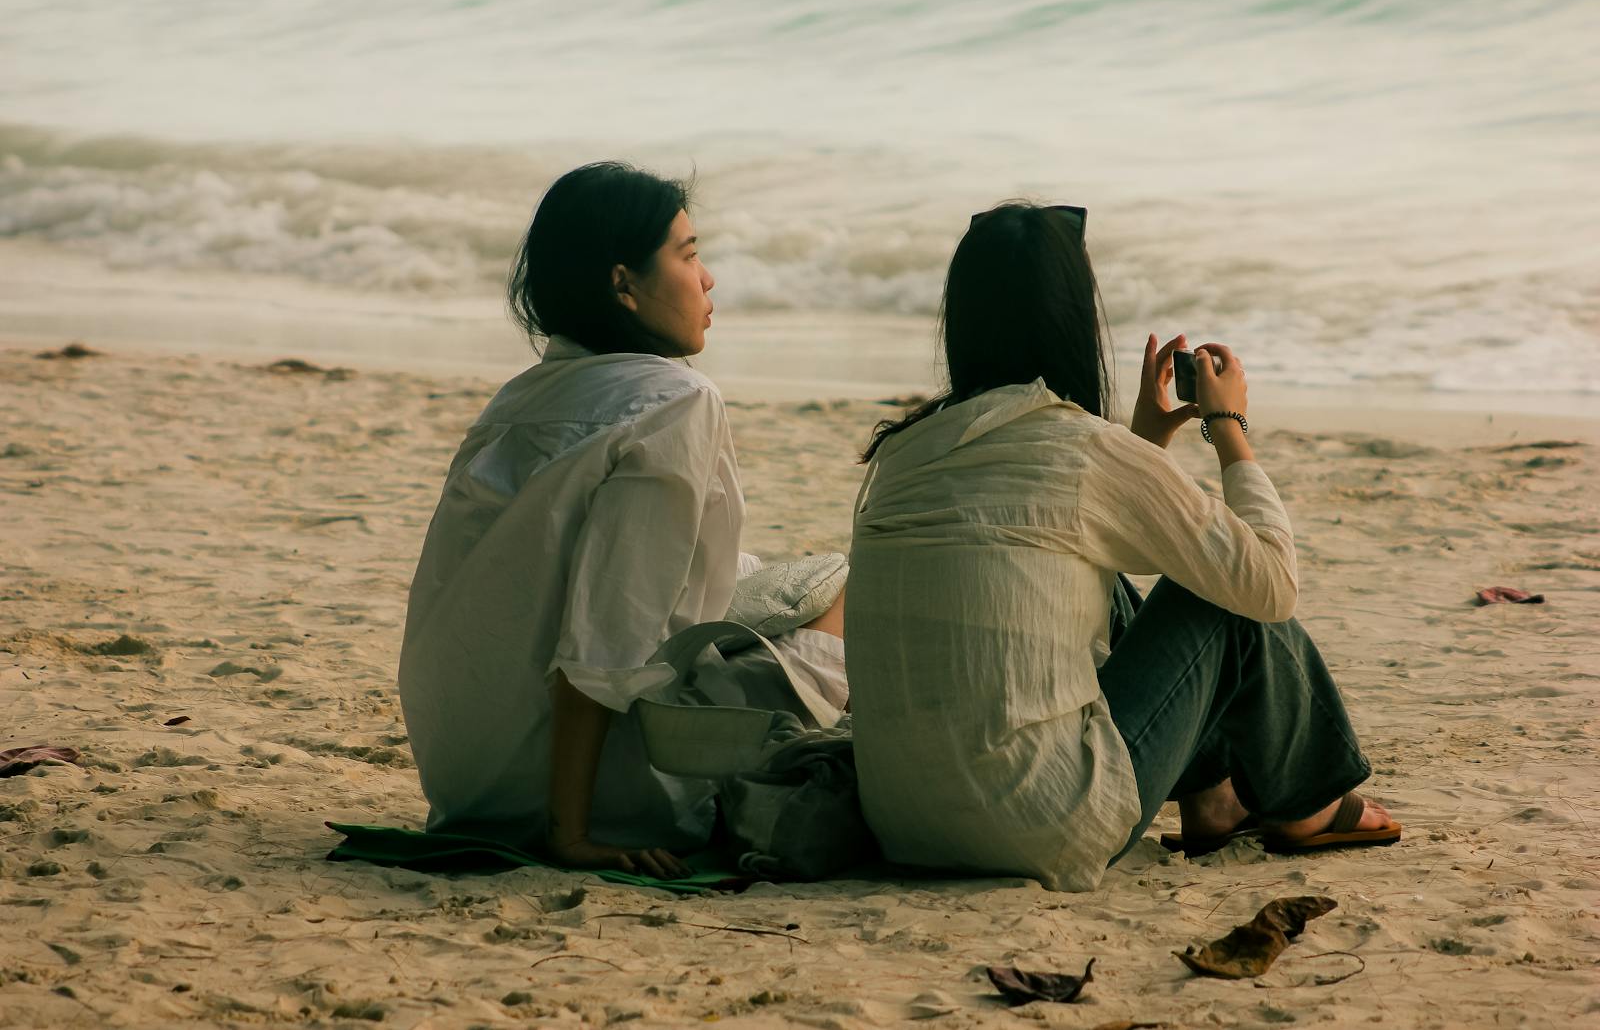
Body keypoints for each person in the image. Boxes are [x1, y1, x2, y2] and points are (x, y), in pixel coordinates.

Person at [845, 202, 1400, 892]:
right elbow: (1270, 583)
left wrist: (1145, 443)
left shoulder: (903, 454)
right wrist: (1227, 423)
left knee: (1101, 581)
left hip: (905, 823)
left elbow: (1082, 543)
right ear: (1074, 318)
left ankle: (1213, 795)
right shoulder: (1082, 451)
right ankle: (1306, 802)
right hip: (1042, 823)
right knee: (1221, 599)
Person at [398, 163, 847, 881]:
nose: (708, 281)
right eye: (690, 254)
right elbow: (602, 641)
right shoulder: (678, 401)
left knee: (799, 580)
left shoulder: (522, 395)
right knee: (843, 597)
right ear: (622, 284)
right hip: (587, 792)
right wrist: (569, 834)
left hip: (469, 778)